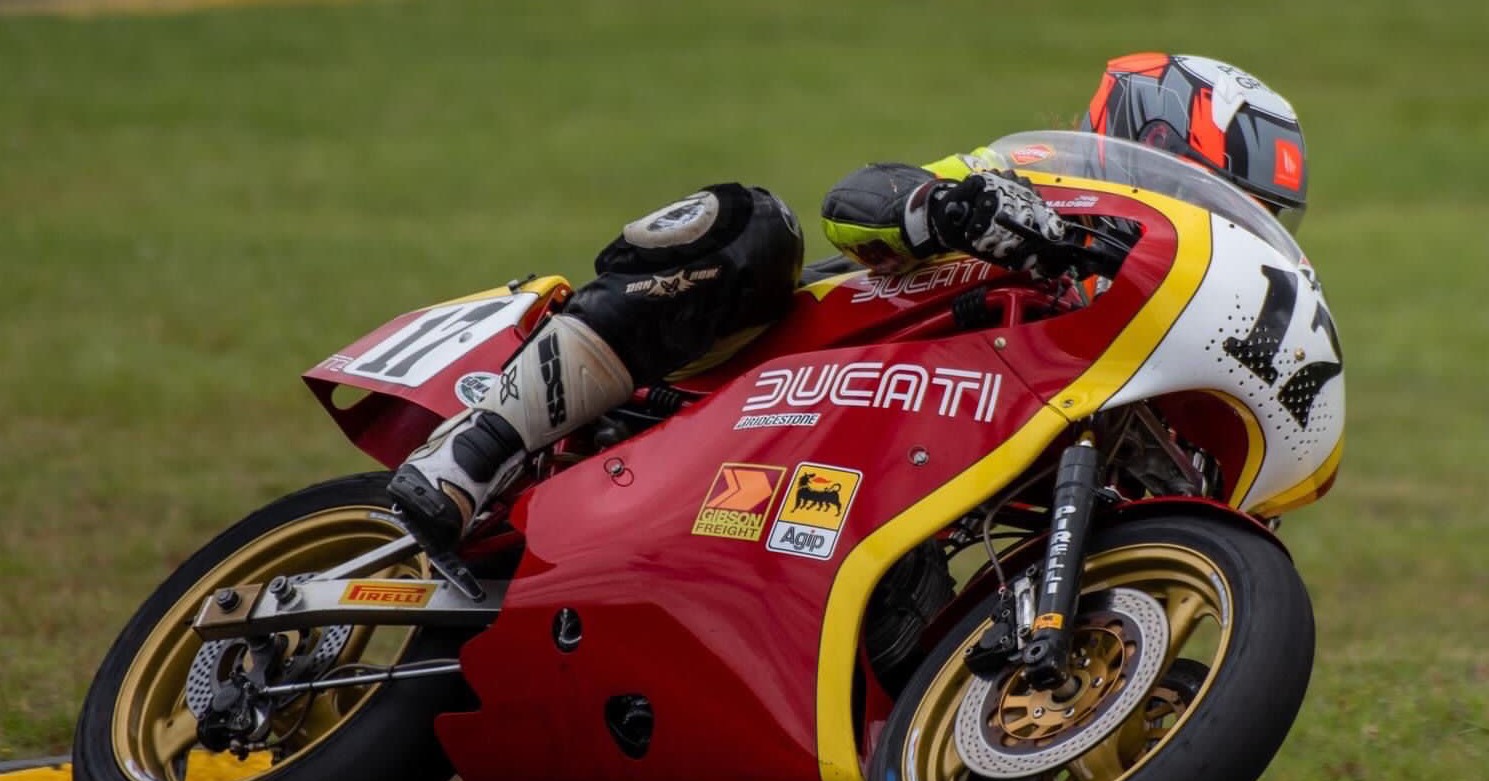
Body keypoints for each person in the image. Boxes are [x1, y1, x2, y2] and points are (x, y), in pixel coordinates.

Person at [388, 53, 1309, 557]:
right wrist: (954, 208)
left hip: (910, 469)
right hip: (786, 373)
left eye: (1267, 215)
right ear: (1157, 136)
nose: (1254, 221)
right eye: (1247, 196)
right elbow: (857, 206)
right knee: (751, 226)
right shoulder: (1038, 179)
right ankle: (477, 451)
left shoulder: (1152, 339)